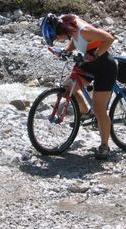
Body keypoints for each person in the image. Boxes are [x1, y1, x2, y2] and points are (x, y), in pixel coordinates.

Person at [40, 13, 117, 160]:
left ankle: (104, 146)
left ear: (62, 32)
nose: (57, 40)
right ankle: (85, 112)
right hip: (87, 62)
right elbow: (75, 41)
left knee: (99, 109)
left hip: (104, 67)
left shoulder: (84, 31)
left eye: (56, 38)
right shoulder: (69, 26)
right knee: (68, 87)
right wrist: (65, 51)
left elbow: (109, 38)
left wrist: (95, 55)